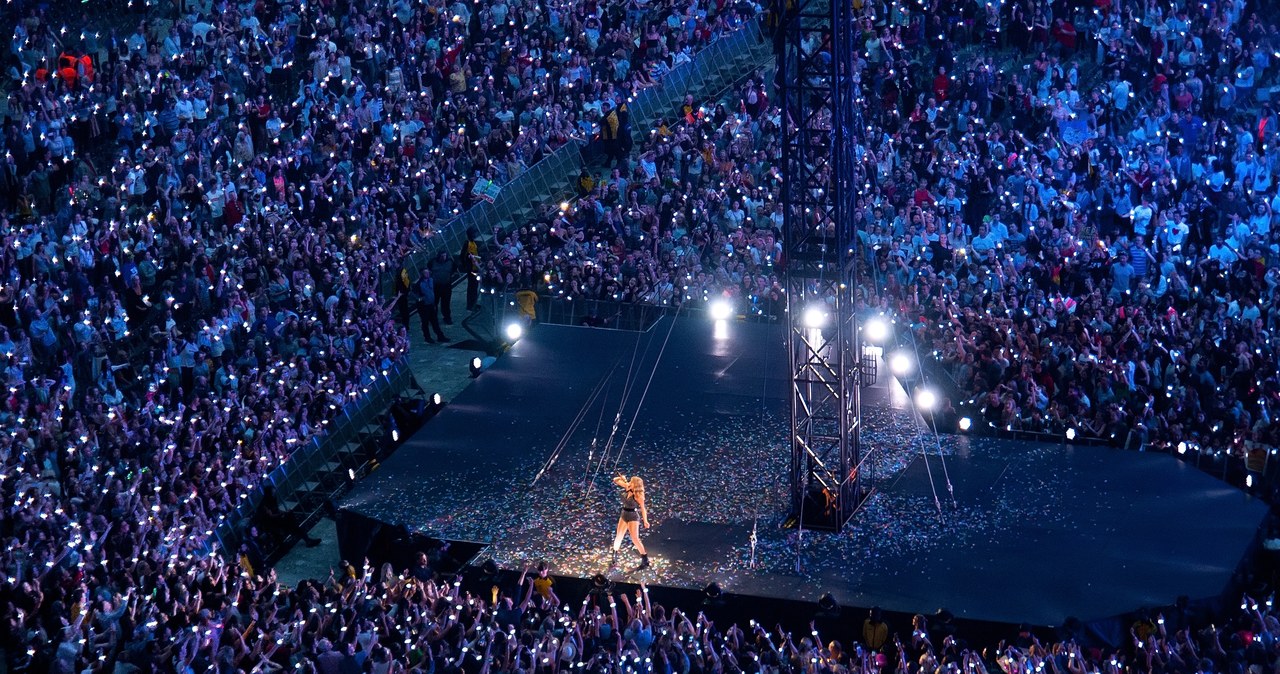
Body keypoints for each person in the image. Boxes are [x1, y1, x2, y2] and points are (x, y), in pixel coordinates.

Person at [610, 474, 650, 570]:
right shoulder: (627, 486)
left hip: (633, 516)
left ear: (635, 485)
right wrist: (622, 478)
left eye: (631, 482)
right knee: (619, 536)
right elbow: (615, 480)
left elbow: (643, 509)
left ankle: (645, 559)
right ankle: (614, 554)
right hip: (624, 514)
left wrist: (645, 521)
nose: (629, 482)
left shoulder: (639, 495)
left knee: (635, 539)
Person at [415, 269, 449, 344]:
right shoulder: (419, 283)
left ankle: (440, 336)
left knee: (435, 321)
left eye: (428, 273)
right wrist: (421, 299)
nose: (427, 274)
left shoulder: (431, 280)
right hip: (424, 306)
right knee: (425, 322)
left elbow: (434, 290)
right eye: (425, 273)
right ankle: (427, 337)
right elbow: (415, 294)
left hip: (431, 304)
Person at [429, 249, 457, 325]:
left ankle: (447, 317)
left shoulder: (450, 262)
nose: (443, 257)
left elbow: (454, 269)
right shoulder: (433, 261)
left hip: (446, 286)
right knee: (434, 303)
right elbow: (428, 269)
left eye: (444, 256)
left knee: (446, 303)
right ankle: (433, 319)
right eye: (442, 256)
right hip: (436, 286)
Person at [460, 227, 481, 311]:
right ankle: (470, 305)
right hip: (471, 268)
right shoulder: (467, 243)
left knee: (475, 286)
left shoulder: (473, 242)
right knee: (471, 287)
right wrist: (466, 265)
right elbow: (462, 255)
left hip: (475, 267)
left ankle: (474, 303)